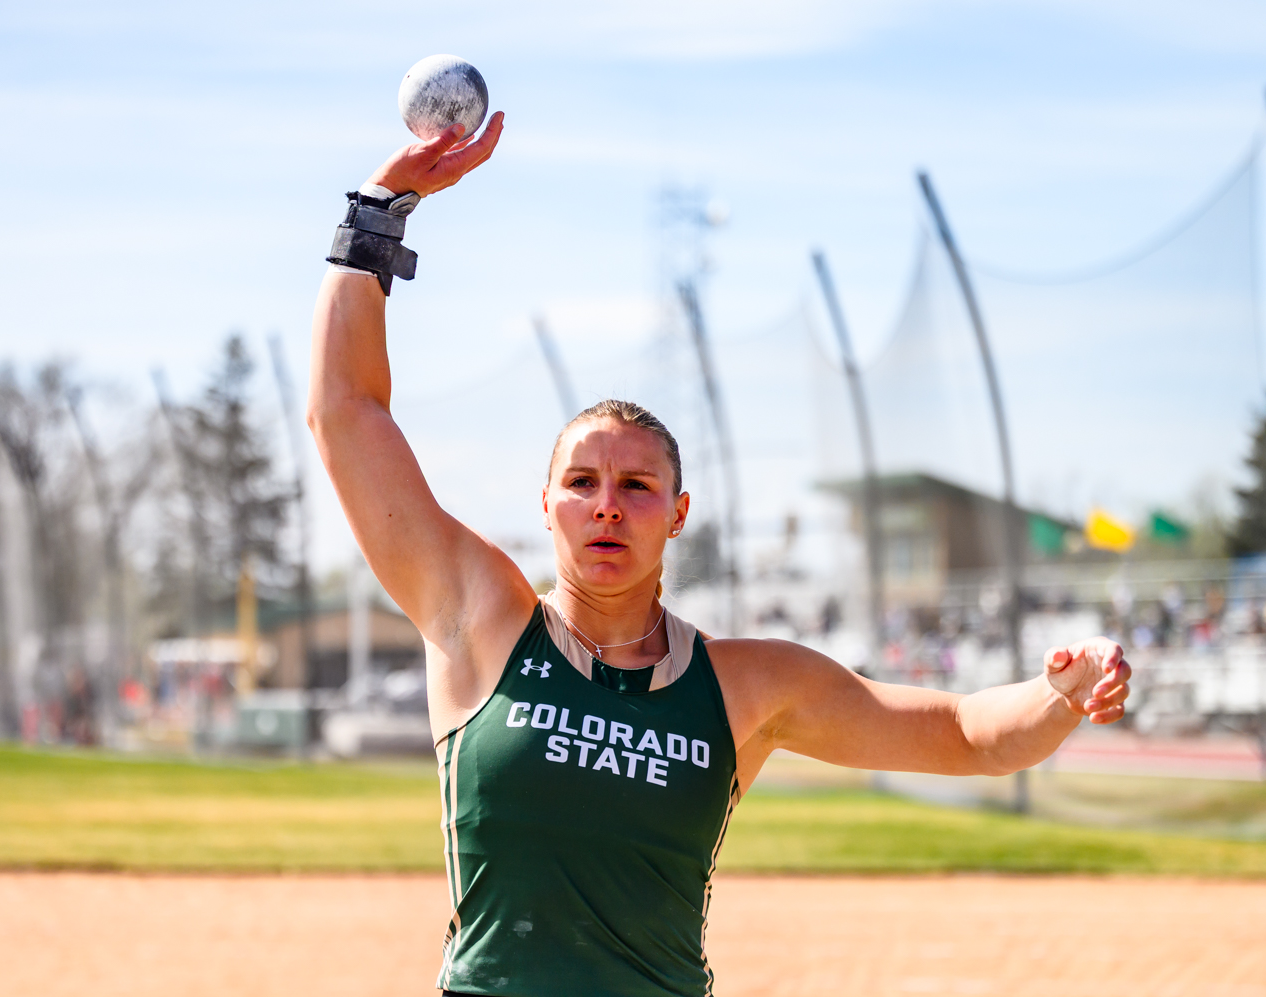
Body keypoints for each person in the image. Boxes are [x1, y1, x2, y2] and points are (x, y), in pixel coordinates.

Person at [307, 114, 1132, 997]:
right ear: (545, 507)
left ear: (678, 514)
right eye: (581, 482)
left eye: (637, 487)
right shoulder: (480, 619)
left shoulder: (745, 684)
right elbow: (346, 413)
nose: (607, 506)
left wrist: (1060, 692)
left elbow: (965, 735)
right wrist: (378, 212)